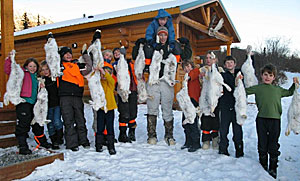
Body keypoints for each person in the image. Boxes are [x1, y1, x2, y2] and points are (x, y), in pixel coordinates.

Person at [244, 64, 298, 179]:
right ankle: (263, 166)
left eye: (270, 75)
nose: (267, 77)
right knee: (262, 143)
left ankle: (273, 167)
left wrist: (294, 84)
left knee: (273, 144)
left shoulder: (277, 90)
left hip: (275, 120)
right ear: (262, 76)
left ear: (274, 77)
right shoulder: (258, 88)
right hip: (261, 120)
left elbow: (289, 92)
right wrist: (239, 81)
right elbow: (244, 91)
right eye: (265, 75)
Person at [143, 26, 192, 145]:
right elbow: (139, 56)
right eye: (160, 35)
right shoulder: (151, 46)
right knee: (152, 107)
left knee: (167, 107)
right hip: (153, 81)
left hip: (167, 82)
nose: (163, 37)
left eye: (164, 35)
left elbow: (186, 56)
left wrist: (187, 44)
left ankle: (169, 135)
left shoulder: (172, 46)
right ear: (157, 36)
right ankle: (151, 135)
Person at [5, 54, 51, 155]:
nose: (32, 68)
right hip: (24, 102)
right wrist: (9, 59)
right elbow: (9, 70)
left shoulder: (38, 77)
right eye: (30, 66)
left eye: (34, 66)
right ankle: (23, 146)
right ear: (26, 66)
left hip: (35, 104)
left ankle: (42, 142)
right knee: (24, 124)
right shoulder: (21, 73)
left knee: (37, 123)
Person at [58, 45, 92, 151]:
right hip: (65, 97)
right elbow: (52, 61)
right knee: (68, 120)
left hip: (77, 96)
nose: (68, 55)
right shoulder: (59, 66)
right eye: (65, 53)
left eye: (70, 53)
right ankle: (72, 143)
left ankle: (83, 140)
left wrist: (85, 54)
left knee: (80, 119)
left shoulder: (77, 65)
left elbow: (89, 67)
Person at [218, 56, 244, 157]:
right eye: (227, 63)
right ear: (224, 65)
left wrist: (250, 56)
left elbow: (250, 70)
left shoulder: (240, 74)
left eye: (231, 62)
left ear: (235, 64)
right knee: (224, 129)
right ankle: (223, 149)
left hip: (237, 107)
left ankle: (239, 151)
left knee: (237, 130)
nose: (229, 64)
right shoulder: (223, 75)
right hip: (225, 106)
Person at [112, 47, 138, 143]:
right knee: (124, 113)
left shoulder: (130, 63)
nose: (117, 53)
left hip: (133, 90)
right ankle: (122, 133)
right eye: (115, 53)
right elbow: (113, 78)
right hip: (123, 91)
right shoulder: (115, 65)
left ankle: (132, 132)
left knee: (133, 112)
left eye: (118, 52)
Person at [199, 51, 224, 150]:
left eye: (211, 58)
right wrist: (201, 77)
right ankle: (205, 140)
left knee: (215, 119)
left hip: (216, 98)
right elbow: (201, 83)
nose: (208, 60)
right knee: (206, 119)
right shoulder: (202, 69)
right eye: (207, 58)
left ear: (215, 59)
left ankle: (215, 139)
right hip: (205, 98)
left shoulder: (220, 70)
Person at [95, 63, 117, 155]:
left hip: (110, 108)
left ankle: (111, 145)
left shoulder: (111, 83)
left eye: (106, 73)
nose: (104, 75)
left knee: (109, 127)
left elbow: (111, 80)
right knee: (100, 126)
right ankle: (98, 144)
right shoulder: (99, 84)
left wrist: (104, 72)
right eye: (102, 74)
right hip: (101, 108)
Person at [40, 61, 64, 150]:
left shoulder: (55, 78)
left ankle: (59, 137)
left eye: (47, 69)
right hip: (47, 105)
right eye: (43, 70)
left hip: (57, 103)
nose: (45, 71)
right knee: (50, 123)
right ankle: (54, 140)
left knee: (57, 121)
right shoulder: (42, 80)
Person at [180, 60, 201, 152]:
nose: (187, 69)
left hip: (193, 100)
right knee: (185, 122)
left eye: (188, 66)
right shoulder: (186, 78)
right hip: (186, 101)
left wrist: (187, 77)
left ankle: (196, 143)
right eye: (185, 68)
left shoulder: (196, 72)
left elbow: (192, 75)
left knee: (193, 123)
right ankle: (188, 141)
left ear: (192, 66)